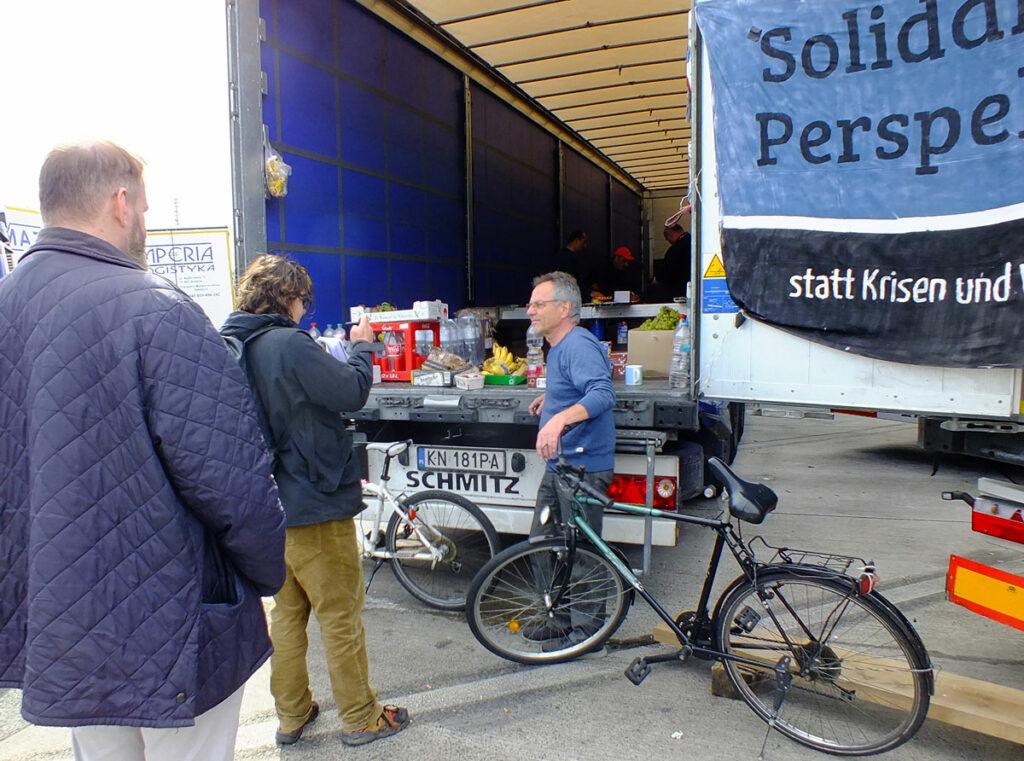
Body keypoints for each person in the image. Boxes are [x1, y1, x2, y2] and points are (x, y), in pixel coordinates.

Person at [0, 142, 287, 760]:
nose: (146, 225)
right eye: (146, 209)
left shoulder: (7, 307)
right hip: (171, 622)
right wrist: (268, 572)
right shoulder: (155, 309)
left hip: (63, 625)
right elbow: (233, 480)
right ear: (121, 202)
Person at [220, 255, 410, 748]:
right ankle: (361, 717)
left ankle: (292, 714)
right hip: (314, 502)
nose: (305, 310)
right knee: (340, 614)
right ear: (287, 297)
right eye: (303, 300)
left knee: (287, 615)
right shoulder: (286, 343)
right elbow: (350, 391)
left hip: (268, 504)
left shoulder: (233, 341)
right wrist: (363, 346)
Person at [525, 271, 616, 649]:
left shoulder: (578, 344)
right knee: (543, 543)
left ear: (564, 308)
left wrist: (560, 418)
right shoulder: (559, 347)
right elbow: (577, 387)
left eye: (538, 304)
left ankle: (585, 633)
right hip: (561, 466)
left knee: (582, 554)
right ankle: (559, 617)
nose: (530, 310)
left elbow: (602, 393)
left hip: (582, 469)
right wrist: (553, 401)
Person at [653, 202, 692, 300]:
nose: (666, 240)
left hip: (678, 292)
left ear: (669, 234)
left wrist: (657, 280)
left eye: (666, 237)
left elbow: (667, 271)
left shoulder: (677, 248)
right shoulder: (693, 242)